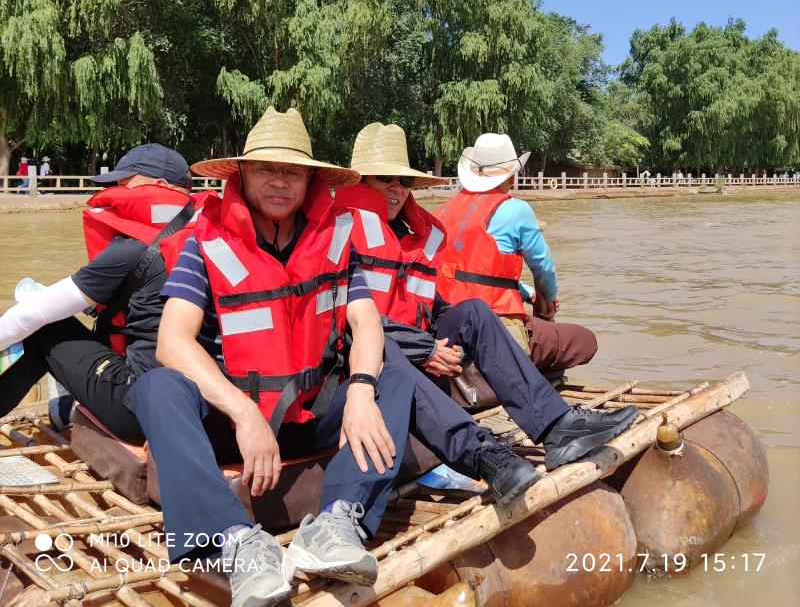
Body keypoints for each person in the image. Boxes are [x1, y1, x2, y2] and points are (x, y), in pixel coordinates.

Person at [125, 107, 415, 607]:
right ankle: (237, 543)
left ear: (309, 182)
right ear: (242, 176)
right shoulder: (205, 243)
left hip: (306, 410)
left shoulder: (336, 240)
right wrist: (242, 412)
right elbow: (172, 341)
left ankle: (335, 524)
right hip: (234, 419)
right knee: (156, 385)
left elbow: (367, 322)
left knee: (392, 375)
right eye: (266, 169)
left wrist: (362, 389)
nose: (279, 182)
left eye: (293, 172)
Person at [333, 122, 637, 475]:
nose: (397, 189)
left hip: (416, 338)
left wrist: (441, 336)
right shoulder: (341, 231)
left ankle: (557, 427)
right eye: (384, 178)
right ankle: (485, 453)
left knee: (474, 312)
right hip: (372, 355)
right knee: (577, 340)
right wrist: (427, 349)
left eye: (405, 181)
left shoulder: (417, 225)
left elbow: (425, 302)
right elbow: (356, 323)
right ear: (359, 182)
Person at [0, 144, 200, 440]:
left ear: (158, 186)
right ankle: (68, 401)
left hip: (142, 406)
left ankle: (63, 404)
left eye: (124, 181)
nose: (117, 189)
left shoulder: (133, 248)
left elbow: (31, 316)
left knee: (39, 328)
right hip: (199, 400)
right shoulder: (209, 236)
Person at [435, 133, 597, 373]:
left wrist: (524, 291)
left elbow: (471, 270)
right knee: (584, 340)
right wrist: (548, 300)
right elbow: (543, 267)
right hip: (493, 318)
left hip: (448, 318)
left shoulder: (444, 210)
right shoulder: (516, 209)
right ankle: (532, 372)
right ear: (511, 174)